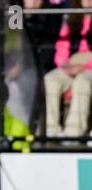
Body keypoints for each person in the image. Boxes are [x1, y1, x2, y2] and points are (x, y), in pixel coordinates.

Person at [44, 0, 92, 137]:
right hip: (71, 64)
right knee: (50, 80)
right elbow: (61, 47)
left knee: (82, 82)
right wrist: (64, 65)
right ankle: (50, 130)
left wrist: (84, 66)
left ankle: (74, 133)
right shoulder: (72, 20)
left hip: (89, 65)